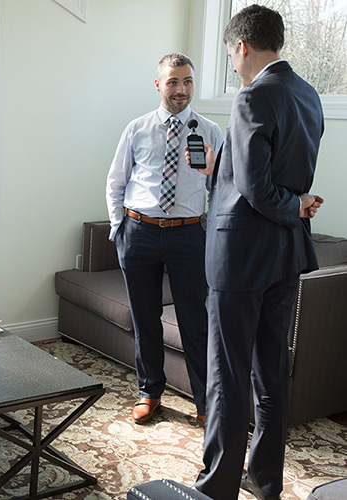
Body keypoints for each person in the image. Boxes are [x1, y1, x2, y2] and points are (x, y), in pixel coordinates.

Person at [191, 5, 324, 500]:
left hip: (240, 259)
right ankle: (266, 480)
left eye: (230, 53)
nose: (232, 63)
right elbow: (274, 175)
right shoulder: (307, 94)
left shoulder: (252, 96)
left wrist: (290, 202)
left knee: (226, 378)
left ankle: (216, 487)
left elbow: (257, 189)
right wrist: (299, 203)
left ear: (242, 47)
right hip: (286, 255)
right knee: (272, 374)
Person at [106, 53, 224, 425]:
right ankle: (149, 392)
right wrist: (119, 229)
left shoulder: (211, 132)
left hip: (189, 235)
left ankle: (206, 402)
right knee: (146, 318)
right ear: (158, 85)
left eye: (187, 81)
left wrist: (213, 171)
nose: (181, 89)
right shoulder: (137, 129)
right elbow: (116, 182)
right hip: (139, 232)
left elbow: (222, 190)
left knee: (195, 321)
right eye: (173, 82)